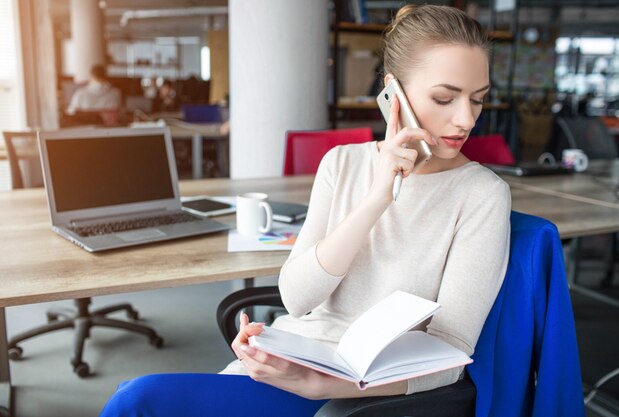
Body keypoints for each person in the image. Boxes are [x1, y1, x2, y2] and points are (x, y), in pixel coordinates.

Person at [100, 5, 510, 416]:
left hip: (361, 396)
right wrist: (377, 198)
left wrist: (321, 385)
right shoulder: (342, 163)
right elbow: (296, 299)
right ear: (393, 93)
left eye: (477, 100)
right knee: (134, 399)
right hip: (290, 360)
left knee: (137, 401)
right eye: (444, 97)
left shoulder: (482, 194)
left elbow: (451, 354)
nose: (465, 119)